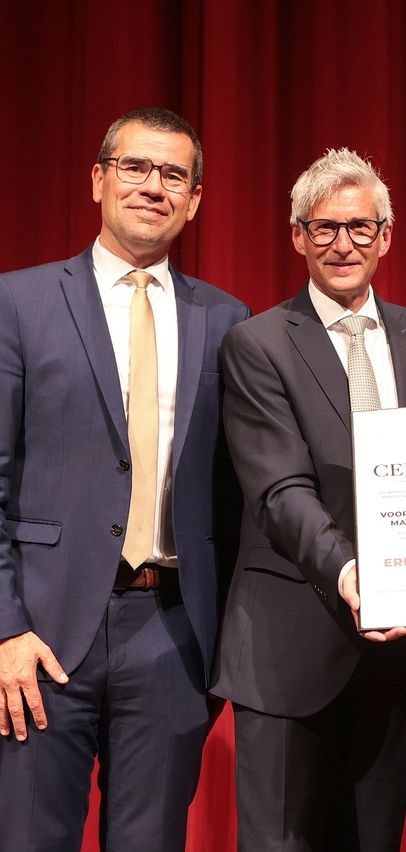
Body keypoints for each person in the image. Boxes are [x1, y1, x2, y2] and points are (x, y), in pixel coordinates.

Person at [0, 107, 250, 850]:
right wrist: (6, 627)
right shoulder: (18, 303)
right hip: (40, 637)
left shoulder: (227, 319)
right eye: (136, 168)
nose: (154, 186)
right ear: (98, 180)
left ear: (195, 199)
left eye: (174, 174)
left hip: (171, 631)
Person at [211, 148, 406, 851]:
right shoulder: (256, 345)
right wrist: (354, 578)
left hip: (398, 653)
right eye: (324, 228)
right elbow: (280, 490)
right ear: (297, 236)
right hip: (289, 646)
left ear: (386, 236)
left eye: (359, 227)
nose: (342, 244)